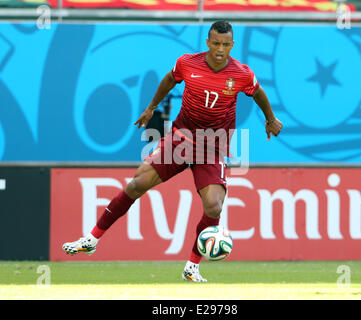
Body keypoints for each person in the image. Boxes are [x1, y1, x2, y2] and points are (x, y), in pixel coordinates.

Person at [62, 20, 283, 282]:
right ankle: (91, 239)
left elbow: (257, 93)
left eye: (225, 44)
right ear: (207, 42)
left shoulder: (242, 74)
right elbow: (169, 79)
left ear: (232, 45)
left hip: (212, 147)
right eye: (216, 43)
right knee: (137, 184)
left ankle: (192, 266)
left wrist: (270, 119)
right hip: (181, 139)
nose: (220, 49)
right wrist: (151, 107)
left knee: (214, 206)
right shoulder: (188, 63)